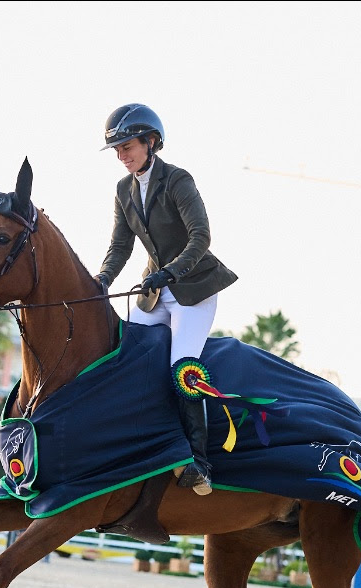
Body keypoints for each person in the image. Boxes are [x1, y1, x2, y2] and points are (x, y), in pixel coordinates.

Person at [93, 103, 238, 495]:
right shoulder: (123, 189)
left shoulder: (177, 180)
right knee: (126, 357)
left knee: (182, 369)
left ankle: (199, 462)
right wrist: (101, 280)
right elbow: (120, 245)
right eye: (118, 150)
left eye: (128, 147)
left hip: (192, 291)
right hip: (154, 295)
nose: (123, 156)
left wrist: (171, 272)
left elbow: (200, 237)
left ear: (151, 141)